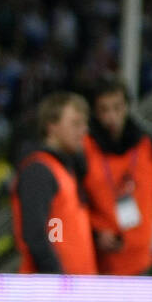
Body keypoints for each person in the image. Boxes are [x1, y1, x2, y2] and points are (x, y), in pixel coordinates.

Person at [84, 78, 152, 276]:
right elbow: (70, 204)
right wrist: (94, 233)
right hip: (98, 268)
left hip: (144, 260)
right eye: (104, 110)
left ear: (127, 106)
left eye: (117, 108)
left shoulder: (147, 140)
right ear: (94, 112)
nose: (112, 117)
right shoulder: (83, 148)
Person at [11, 92, 98, 275]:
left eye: (84, 123)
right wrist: (56, 280)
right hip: (52, 292)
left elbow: (56, 229)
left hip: (72, 288)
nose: (83, 130)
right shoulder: (39, 170)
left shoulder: (64, 170)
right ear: (51, 126)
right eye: (75, 123)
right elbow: (36, 234)